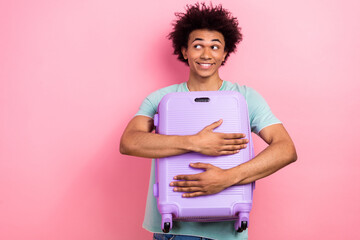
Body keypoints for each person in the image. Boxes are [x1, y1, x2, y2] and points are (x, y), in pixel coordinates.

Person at [120, 2, 297, 240]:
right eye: (197, 46)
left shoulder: (245, 98)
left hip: (228, 232)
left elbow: (286, 149)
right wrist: (195, 142)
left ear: (225, 53)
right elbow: (129, 142)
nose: (206, 54)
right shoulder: (161, 99)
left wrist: (227, 178)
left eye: (215, 47)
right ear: (184, 51)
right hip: (173, 233)